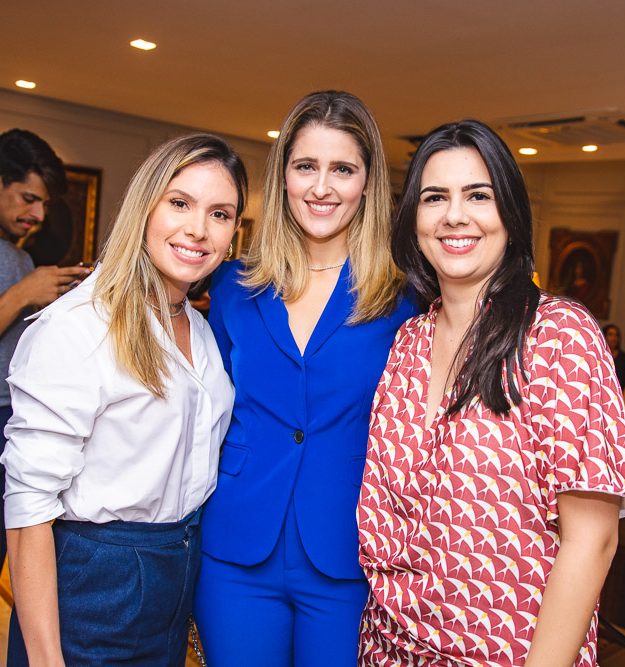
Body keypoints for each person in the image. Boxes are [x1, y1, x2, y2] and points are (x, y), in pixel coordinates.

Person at [357, 120, 625, 667]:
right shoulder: (408, 342)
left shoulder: (559, 335)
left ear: (509, 214)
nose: (454, 216)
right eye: (434, 197)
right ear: (412, 218)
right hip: (388, 646)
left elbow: (592, 541)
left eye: (478, 196)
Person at [1, 133, 247, 666]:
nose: (198, 229)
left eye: (220, 213)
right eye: (179, 203)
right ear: (145, 206)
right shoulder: (80, 327)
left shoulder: (201, 331)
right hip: (95, 582)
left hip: (176, 574)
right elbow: (27, 513)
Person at [194, 90, 418, 666]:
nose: (322, 187)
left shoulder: (406, 298)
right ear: (284, 176)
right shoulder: (232, 286)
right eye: (305, 167)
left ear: (367, 183)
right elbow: (204, 407)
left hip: (351, 554)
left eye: (342, 168)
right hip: (236, 548)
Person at [0, 129, 90, 565]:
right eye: (27, 198)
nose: (37, 213)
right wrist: (22, 293)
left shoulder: (15, 254)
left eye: (44, 204)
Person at [603, 323, 625, 391]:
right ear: (604, 336)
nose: (614, 338)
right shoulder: (598, 354)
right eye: (610, 335)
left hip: (615, 391)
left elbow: (623, 381)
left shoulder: (623, 357)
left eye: (616, 335)